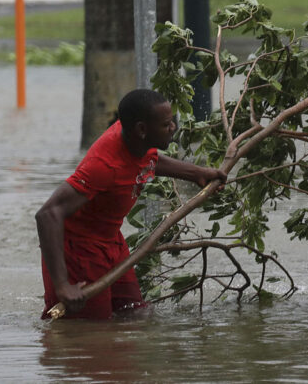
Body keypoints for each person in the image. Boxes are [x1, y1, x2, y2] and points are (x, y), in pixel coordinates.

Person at [35, 89, 225, 320]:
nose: (173, 128)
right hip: (79, 252)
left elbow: (149, 159)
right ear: (142, 130)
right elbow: (48, 214)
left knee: (135, 314)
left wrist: (198, 173)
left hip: (111, 242)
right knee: (88, 330)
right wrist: (63, 285)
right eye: (166, 125)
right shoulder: (104, 165)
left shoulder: (136, 142)